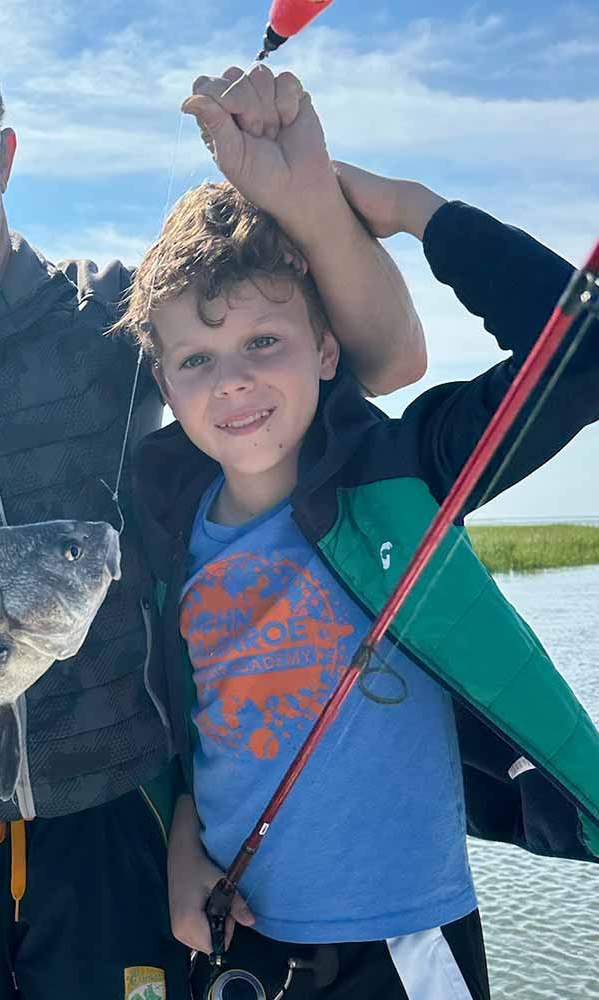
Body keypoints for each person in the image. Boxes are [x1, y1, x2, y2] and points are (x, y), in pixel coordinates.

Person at [0, 9, 427, 999]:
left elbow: (381, 359)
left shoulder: (113, 316)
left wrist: (304, 194)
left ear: (2, 153)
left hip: (123, 805)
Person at [120, 147, 599, 995]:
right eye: (196, 358)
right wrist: (181, 847)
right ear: (163, 379)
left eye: (263, 340)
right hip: (241, 947)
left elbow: (583, 348)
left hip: (408, 945)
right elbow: (186, 728)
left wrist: (416, 209)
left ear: (328, 352)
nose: (231, 381)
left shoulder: (398, 474)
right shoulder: (161, 538)